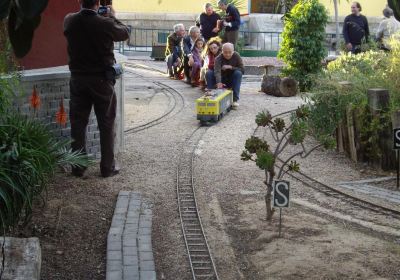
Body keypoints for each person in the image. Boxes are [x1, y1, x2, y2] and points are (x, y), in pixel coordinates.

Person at [64, 0, 129, 178]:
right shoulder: (105, 22)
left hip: (77, 79)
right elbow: (125, 33)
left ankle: (78, 167)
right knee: (106, 124)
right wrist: (113, 16)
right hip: (101, 80)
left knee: (78, 124)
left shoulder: (69, 20)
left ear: (79, 1)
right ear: (98, 3)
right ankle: (107, 168)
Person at [206, 43, 243, 108]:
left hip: (232, 79)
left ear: (233, 51)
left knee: (238, 73)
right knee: (209, 73)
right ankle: (210, 95)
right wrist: (219, 82)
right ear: (222, 51)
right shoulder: (218, 58)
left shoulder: (237, 56)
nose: (227, 54)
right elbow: (217, 71)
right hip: (222, 79)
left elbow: (242, 69)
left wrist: (231, 67)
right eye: (225, 52)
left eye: (230, 52)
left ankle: (235, 100)